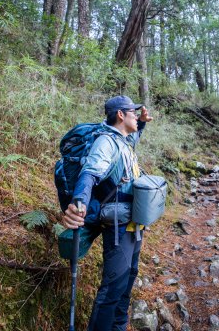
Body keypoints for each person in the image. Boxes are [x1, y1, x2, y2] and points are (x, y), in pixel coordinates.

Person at [62, 95, 153, 331]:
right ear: (121, 115)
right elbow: (90, 173)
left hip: (133, 224)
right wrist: (78, 202)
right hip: (118, 228)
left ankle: (119, 327)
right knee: (113, 288)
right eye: (133, 112)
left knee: (128, 281)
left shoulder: (123, 140)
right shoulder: (106, 142)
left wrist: (141, 122)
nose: (137, 114)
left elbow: (134, 136)